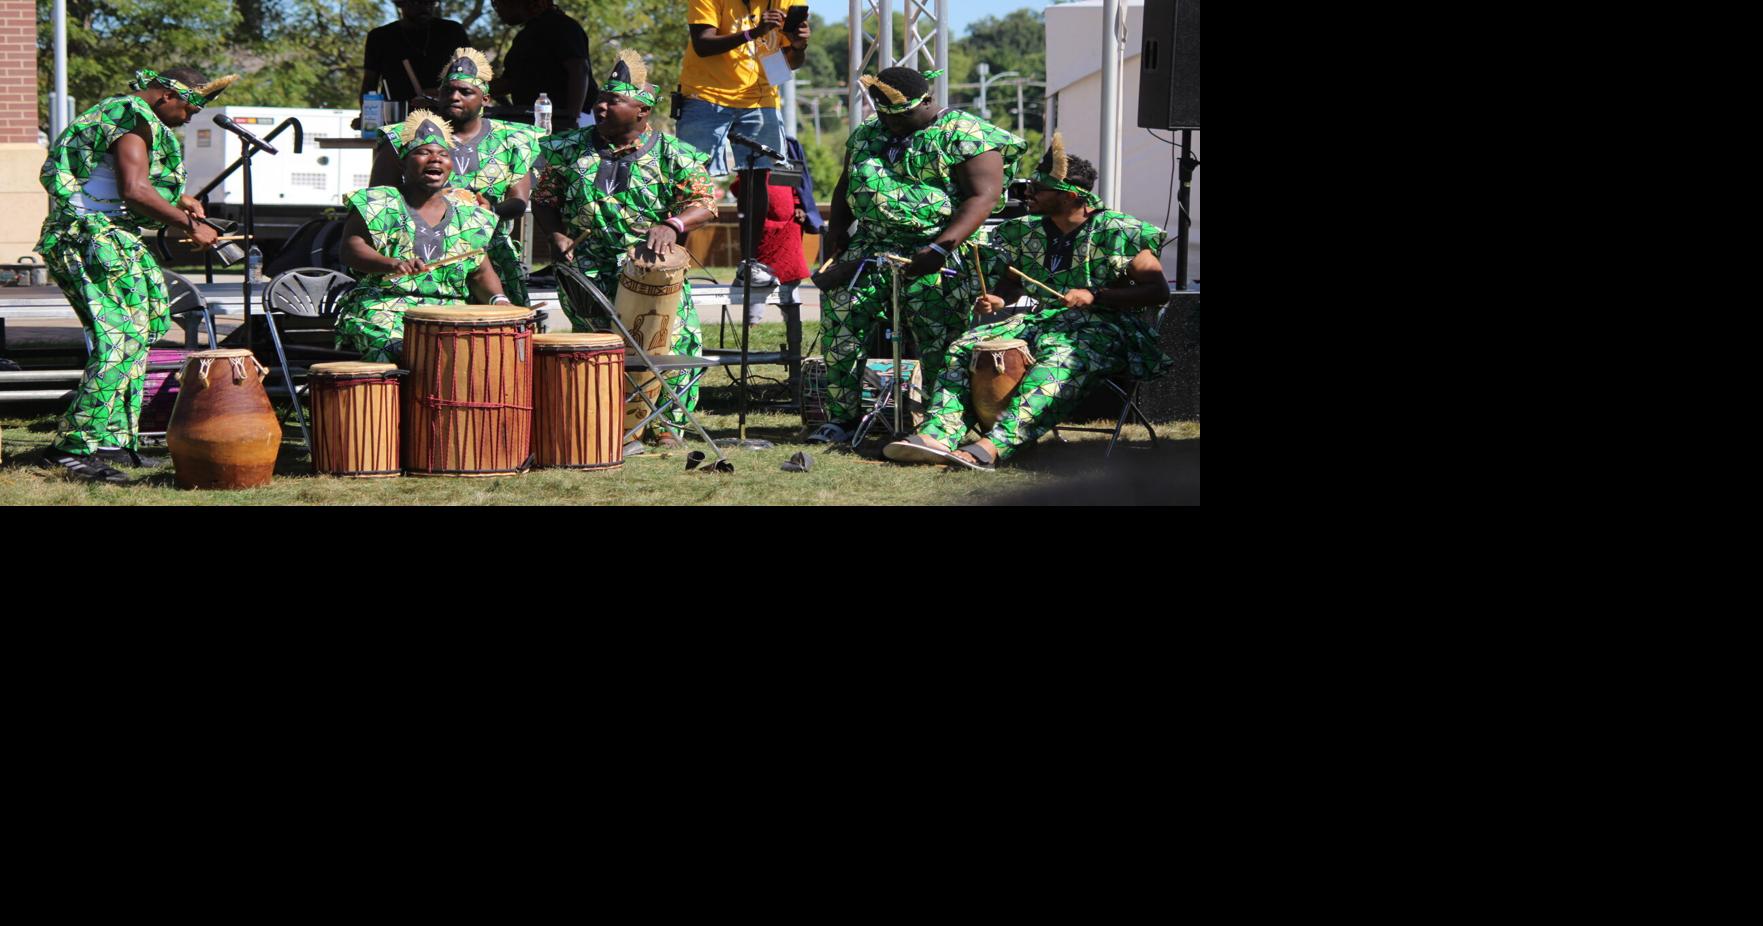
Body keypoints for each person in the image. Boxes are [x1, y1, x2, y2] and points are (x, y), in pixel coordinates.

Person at [883, 136, 1175, 471]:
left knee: (1058, 357)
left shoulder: (1119, 230)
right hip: (1046, 320)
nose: (1027, 194)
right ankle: (938, 435)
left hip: (1108, 329)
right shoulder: (1026, 231)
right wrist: (998, 298)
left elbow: (1158, 291)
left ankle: (993, 446)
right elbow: (1013, 280)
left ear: (1070, 195)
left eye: (1037, 189)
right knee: (964, 346)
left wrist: (1097, 295)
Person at [35, 67, 232, 483]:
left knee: (140, 332)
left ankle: (112, 441)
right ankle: (73, 446)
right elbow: (134, 189)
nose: (191, 117)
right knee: (119, 339)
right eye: (190, 107)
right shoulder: (132, 118)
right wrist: (188, 224)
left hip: (111, 237)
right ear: (165, 96)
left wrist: (181, 198)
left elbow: (114, 176)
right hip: (89, 238)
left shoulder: (132, 119)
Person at [808, 66, 1025, 445]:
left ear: (925, 101)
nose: (891, 124)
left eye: (901, 116)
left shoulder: (965, 133)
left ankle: (942, 423)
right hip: (870, 250)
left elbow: (983, 196)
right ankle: (842, 418)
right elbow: (846, 184)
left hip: (936, 251)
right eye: (884, 116)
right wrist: (837, 230)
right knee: (841, 324)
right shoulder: (867, 133)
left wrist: (941, 247)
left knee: (938, 337)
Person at [532, 50, 718, 451]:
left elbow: (705, 201)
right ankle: (609, 423)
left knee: (673, 340)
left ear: (642, 111)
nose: (600, 106)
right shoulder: (566, 148)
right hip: (587, 268)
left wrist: (672, 224)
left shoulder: (674, 153)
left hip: (651, 268)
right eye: (600, 98)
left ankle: (666, 425)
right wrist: (556, 235)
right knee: (600, 344)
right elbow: (544, 197)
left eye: (612, 100)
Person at [334, 110, 510, 363]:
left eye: (443, 154)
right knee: (403, 348)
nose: (435, 159)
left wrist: (499, 300)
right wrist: (392, 263)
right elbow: (351, 249)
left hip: (449, 312)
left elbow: (480, 271)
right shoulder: (379, 203)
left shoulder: (468, 214)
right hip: (385, 307)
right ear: (404, 163)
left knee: (476, 354)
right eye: (423, 152)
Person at [372, 48, 541, 306]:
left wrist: (492, 209)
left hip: (489, 255)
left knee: (503, 335)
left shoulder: (512, 140)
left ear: (485, 98)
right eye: (447, 90)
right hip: (422, 258)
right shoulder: (404, 137)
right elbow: (379, 202)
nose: (454, 96)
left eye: (465, 91)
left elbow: (518, 200)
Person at [675, 0, 810, 177]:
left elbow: (791, 63)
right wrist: (753, 33)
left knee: (758, 176)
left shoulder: (789, 1)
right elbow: (702, 44)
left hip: (761, 99)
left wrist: (798, 46)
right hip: (705, 97)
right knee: (694, 178)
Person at [488, 0, 595, 129]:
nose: (497, 8)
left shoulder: (560, 25)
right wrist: (472, 90)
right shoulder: (525, 36)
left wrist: (571, 118)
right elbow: (511, 82)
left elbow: (579, 68)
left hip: (570, 121)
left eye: (499, 3)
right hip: (541, 121)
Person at [360, 0, 470, 115]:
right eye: (417, 2)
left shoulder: (452, 31)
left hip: (446, 117)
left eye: (431, 3)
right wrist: (367, 115)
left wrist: (443, 92)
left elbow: (472, 77)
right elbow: (369, 84)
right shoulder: (380, 37)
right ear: (400, 3)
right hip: (397, 119)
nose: (426, 8)